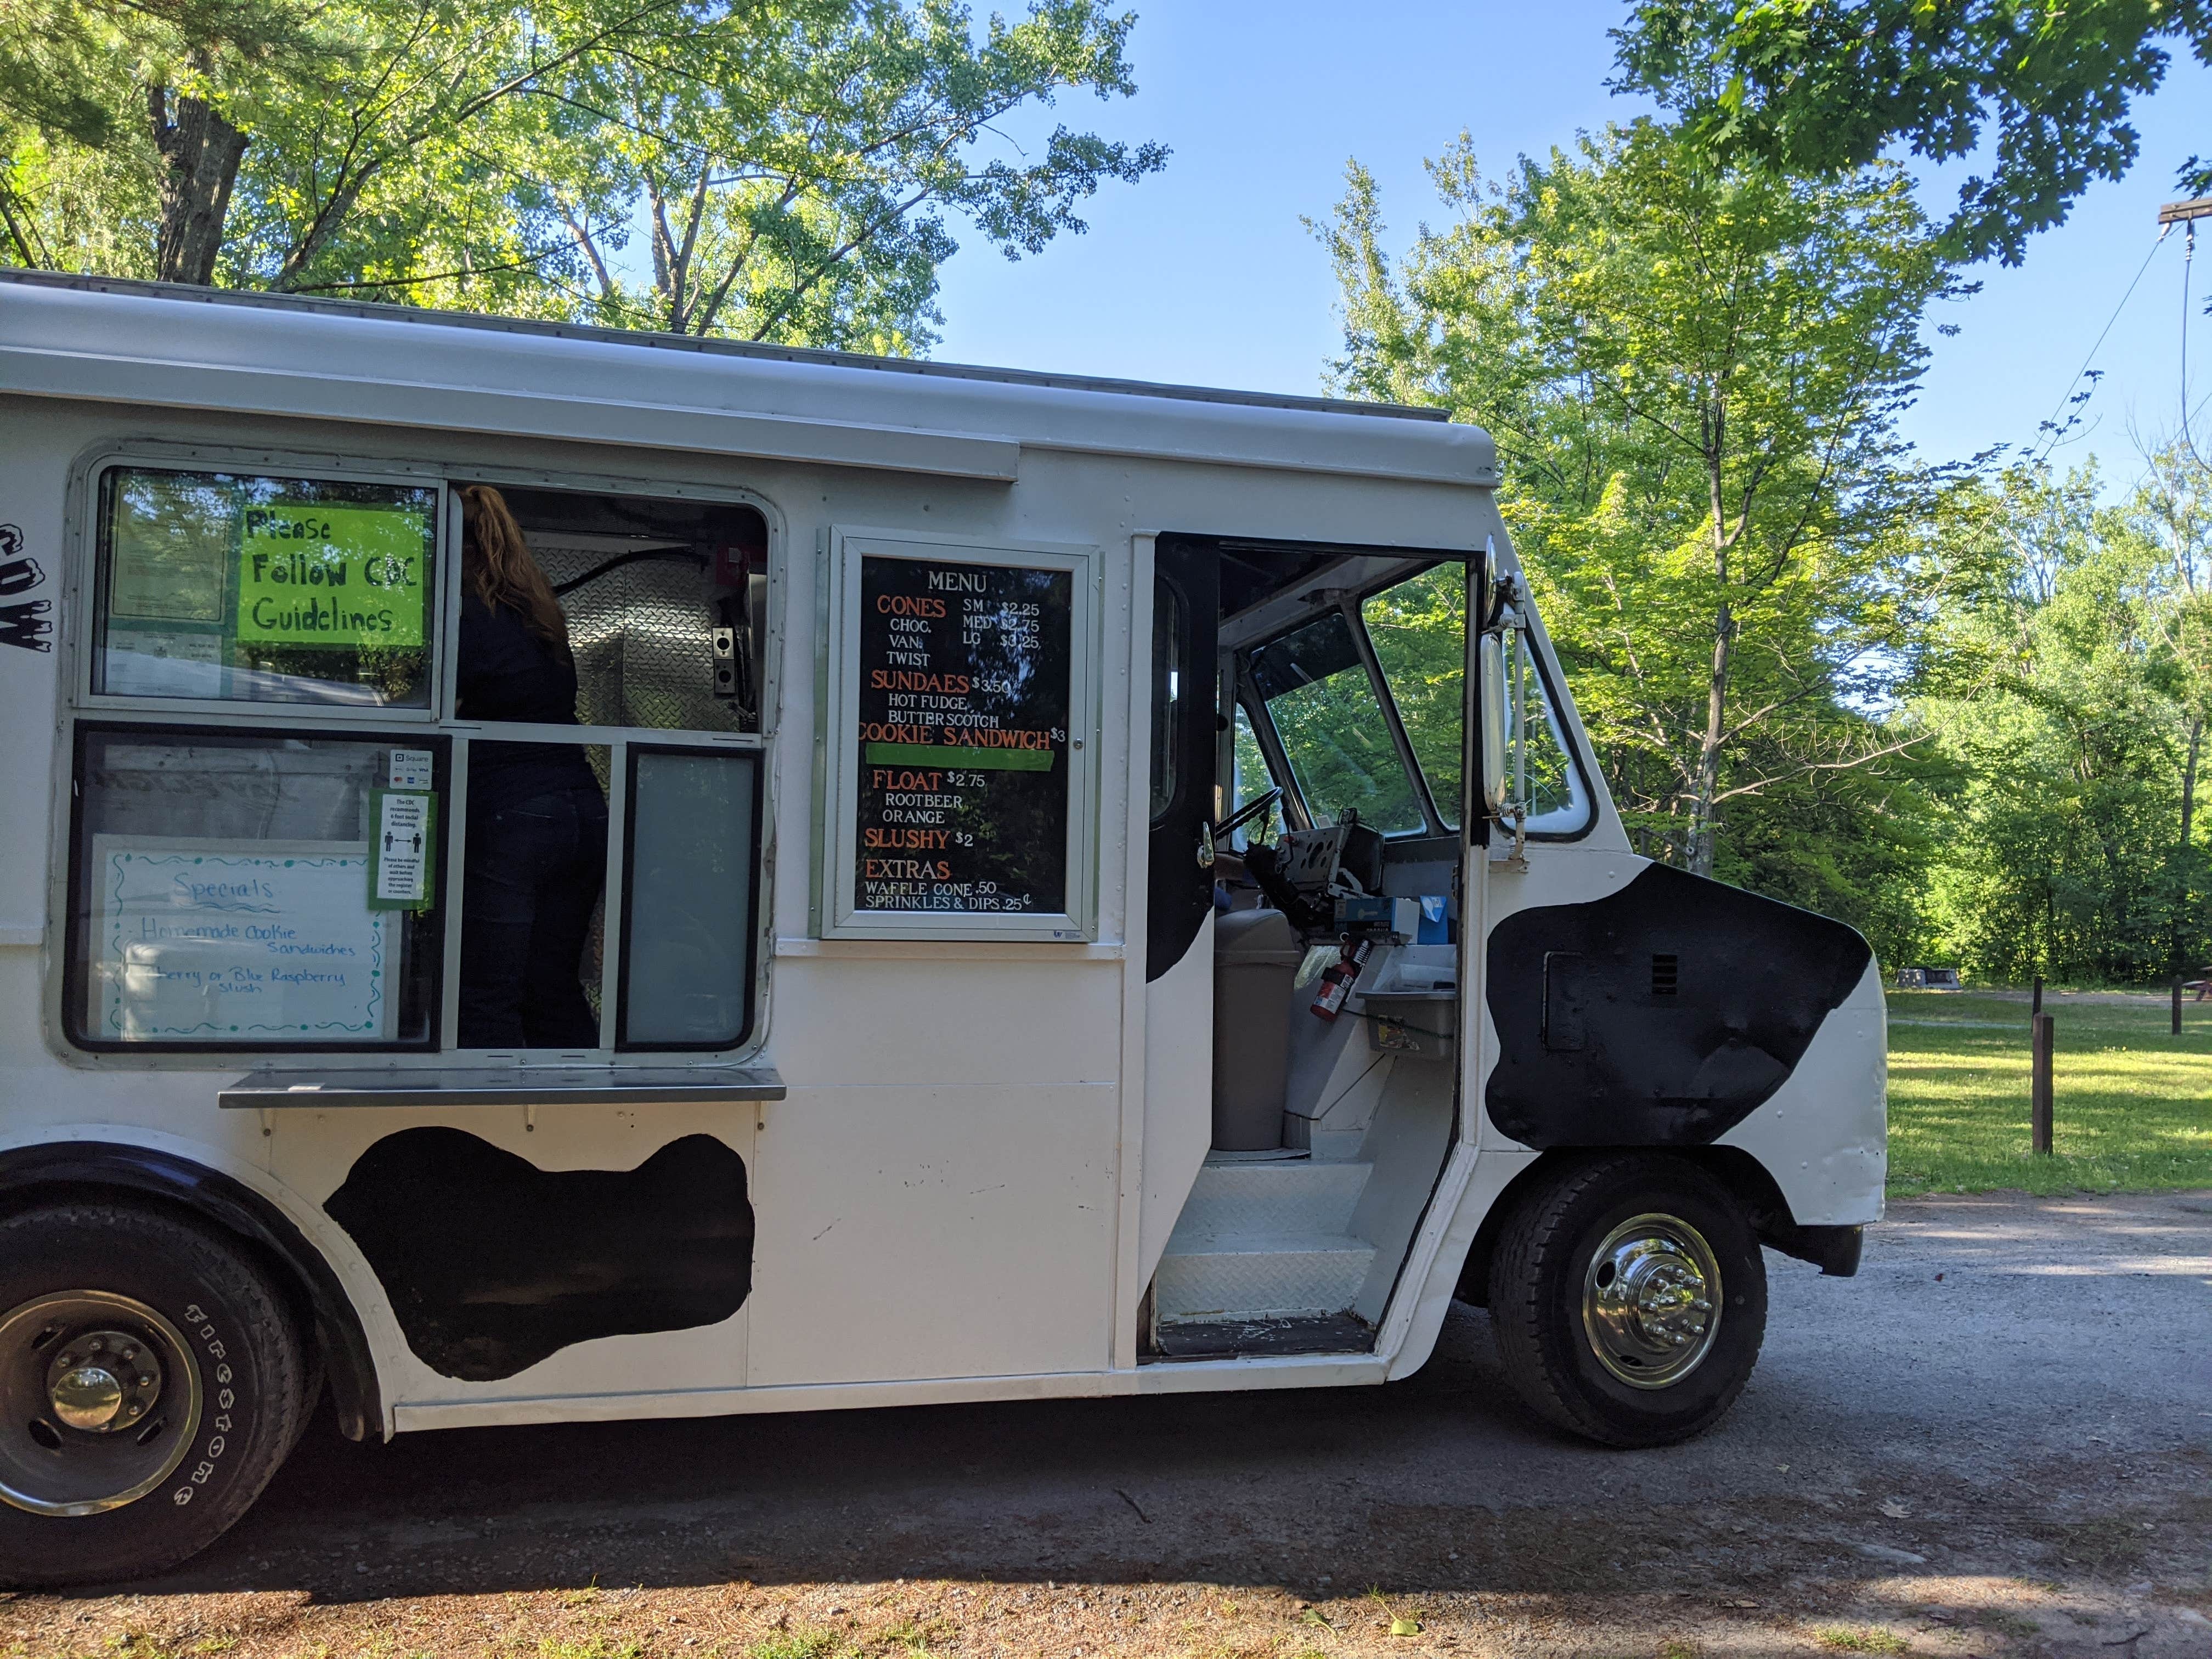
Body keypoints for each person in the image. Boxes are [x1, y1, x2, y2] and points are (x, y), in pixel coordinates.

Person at [455, 484, 606, 1048]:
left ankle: (476, 1132)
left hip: (512, 814)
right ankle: (580, 1120)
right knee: (552, 987)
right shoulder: (540, 612)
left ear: (457, 546)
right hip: (583, 810)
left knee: (486, 995)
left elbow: (435, 708)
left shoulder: (465, 615)